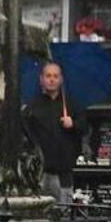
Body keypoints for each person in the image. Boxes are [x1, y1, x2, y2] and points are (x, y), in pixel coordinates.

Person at [23, 62, 88, 203]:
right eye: (48, 76)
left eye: (55, 76)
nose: (52, 79)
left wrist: (73, 124)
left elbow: (85, 129)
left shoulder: (72, 104)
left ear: (61, 79)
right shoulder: (32, 106)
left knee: (64, 213)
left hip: (64, 171)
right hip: (40, 172)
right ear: (41, 79)